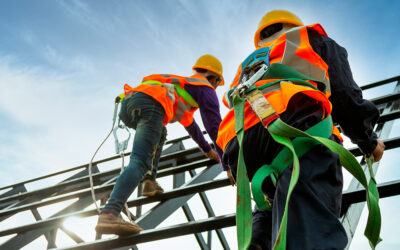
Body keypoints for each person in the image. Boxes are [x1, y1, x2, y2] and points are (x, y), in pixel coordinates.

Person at [217, 10, 385, 249]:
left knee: (272, 199)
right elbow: (345, 95)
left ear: (261, 39)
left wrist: (229, 165)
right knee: (309, 220)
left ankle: (259, 238)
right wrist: (368, 141)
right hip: (297, 125)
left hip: (240, 146)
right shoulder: (309, 38)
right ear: (293, 25)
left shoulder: (250, 64)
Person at [95, 54, 230, 235]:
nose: (215, 88)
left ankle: (149, 181)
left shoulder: (180, 88)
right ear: (214, 78)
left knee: (160, 132)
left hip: (129, 104)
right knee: (139, 162)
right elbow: (215, 128)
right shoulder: (205, 88)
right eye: (216, 83)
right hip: (151, 105)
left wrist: (207, 150)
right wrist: (227, 164)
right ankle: (110, 213)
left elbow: (192, 127)